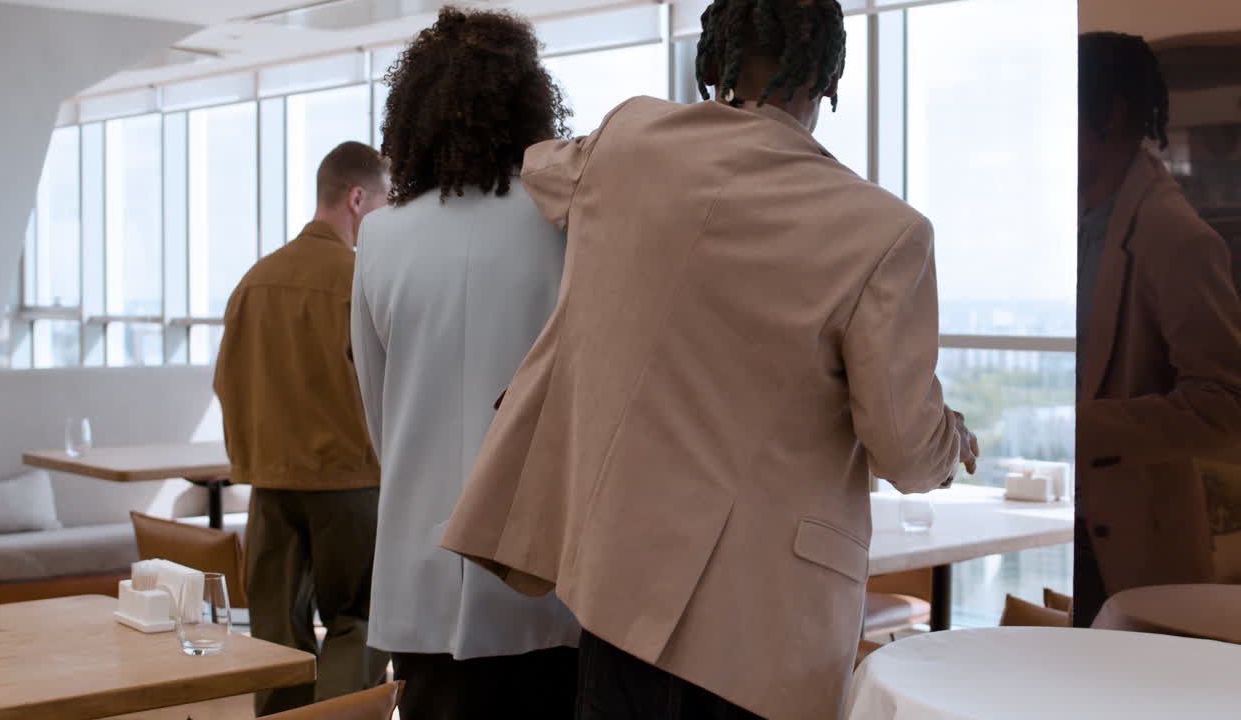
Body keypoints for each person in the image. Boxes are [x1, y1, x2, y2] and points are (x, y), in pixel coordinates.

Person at [440, 2, 978, 719]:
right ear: (829, 76)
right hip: (761, 634)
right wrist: (953, 441)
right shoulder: (885, 231)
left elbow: (542, 168)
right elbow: (907, 450)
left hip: (617, 597)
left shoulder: (629, 142)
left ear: (712, 59)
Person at [350, 8, 582, 719]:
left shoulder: (380, 237)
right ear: (531, 107)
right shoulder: (566, 226)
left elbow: (380, 416)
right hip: (539, 567)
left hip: (418, 565)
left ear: (413, 115)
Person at [214, 141, 391, 715]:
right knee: (358, 622)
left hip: (270, 484)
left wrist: (254, 457)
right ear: (357, 198)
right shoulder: (361, 278)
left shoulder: (255, 280)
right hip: (351, 482)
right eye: (386, 201)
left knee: (275, 632)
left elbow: (226, 382)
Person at [1073, 32, 1241, 627]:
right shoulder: (1072, 223)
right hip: (1062, 532)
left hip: (1135, 550)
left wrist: (1076, 427)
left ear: (1112, 115)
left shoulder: (1176, 236)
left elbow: (1225, 403)